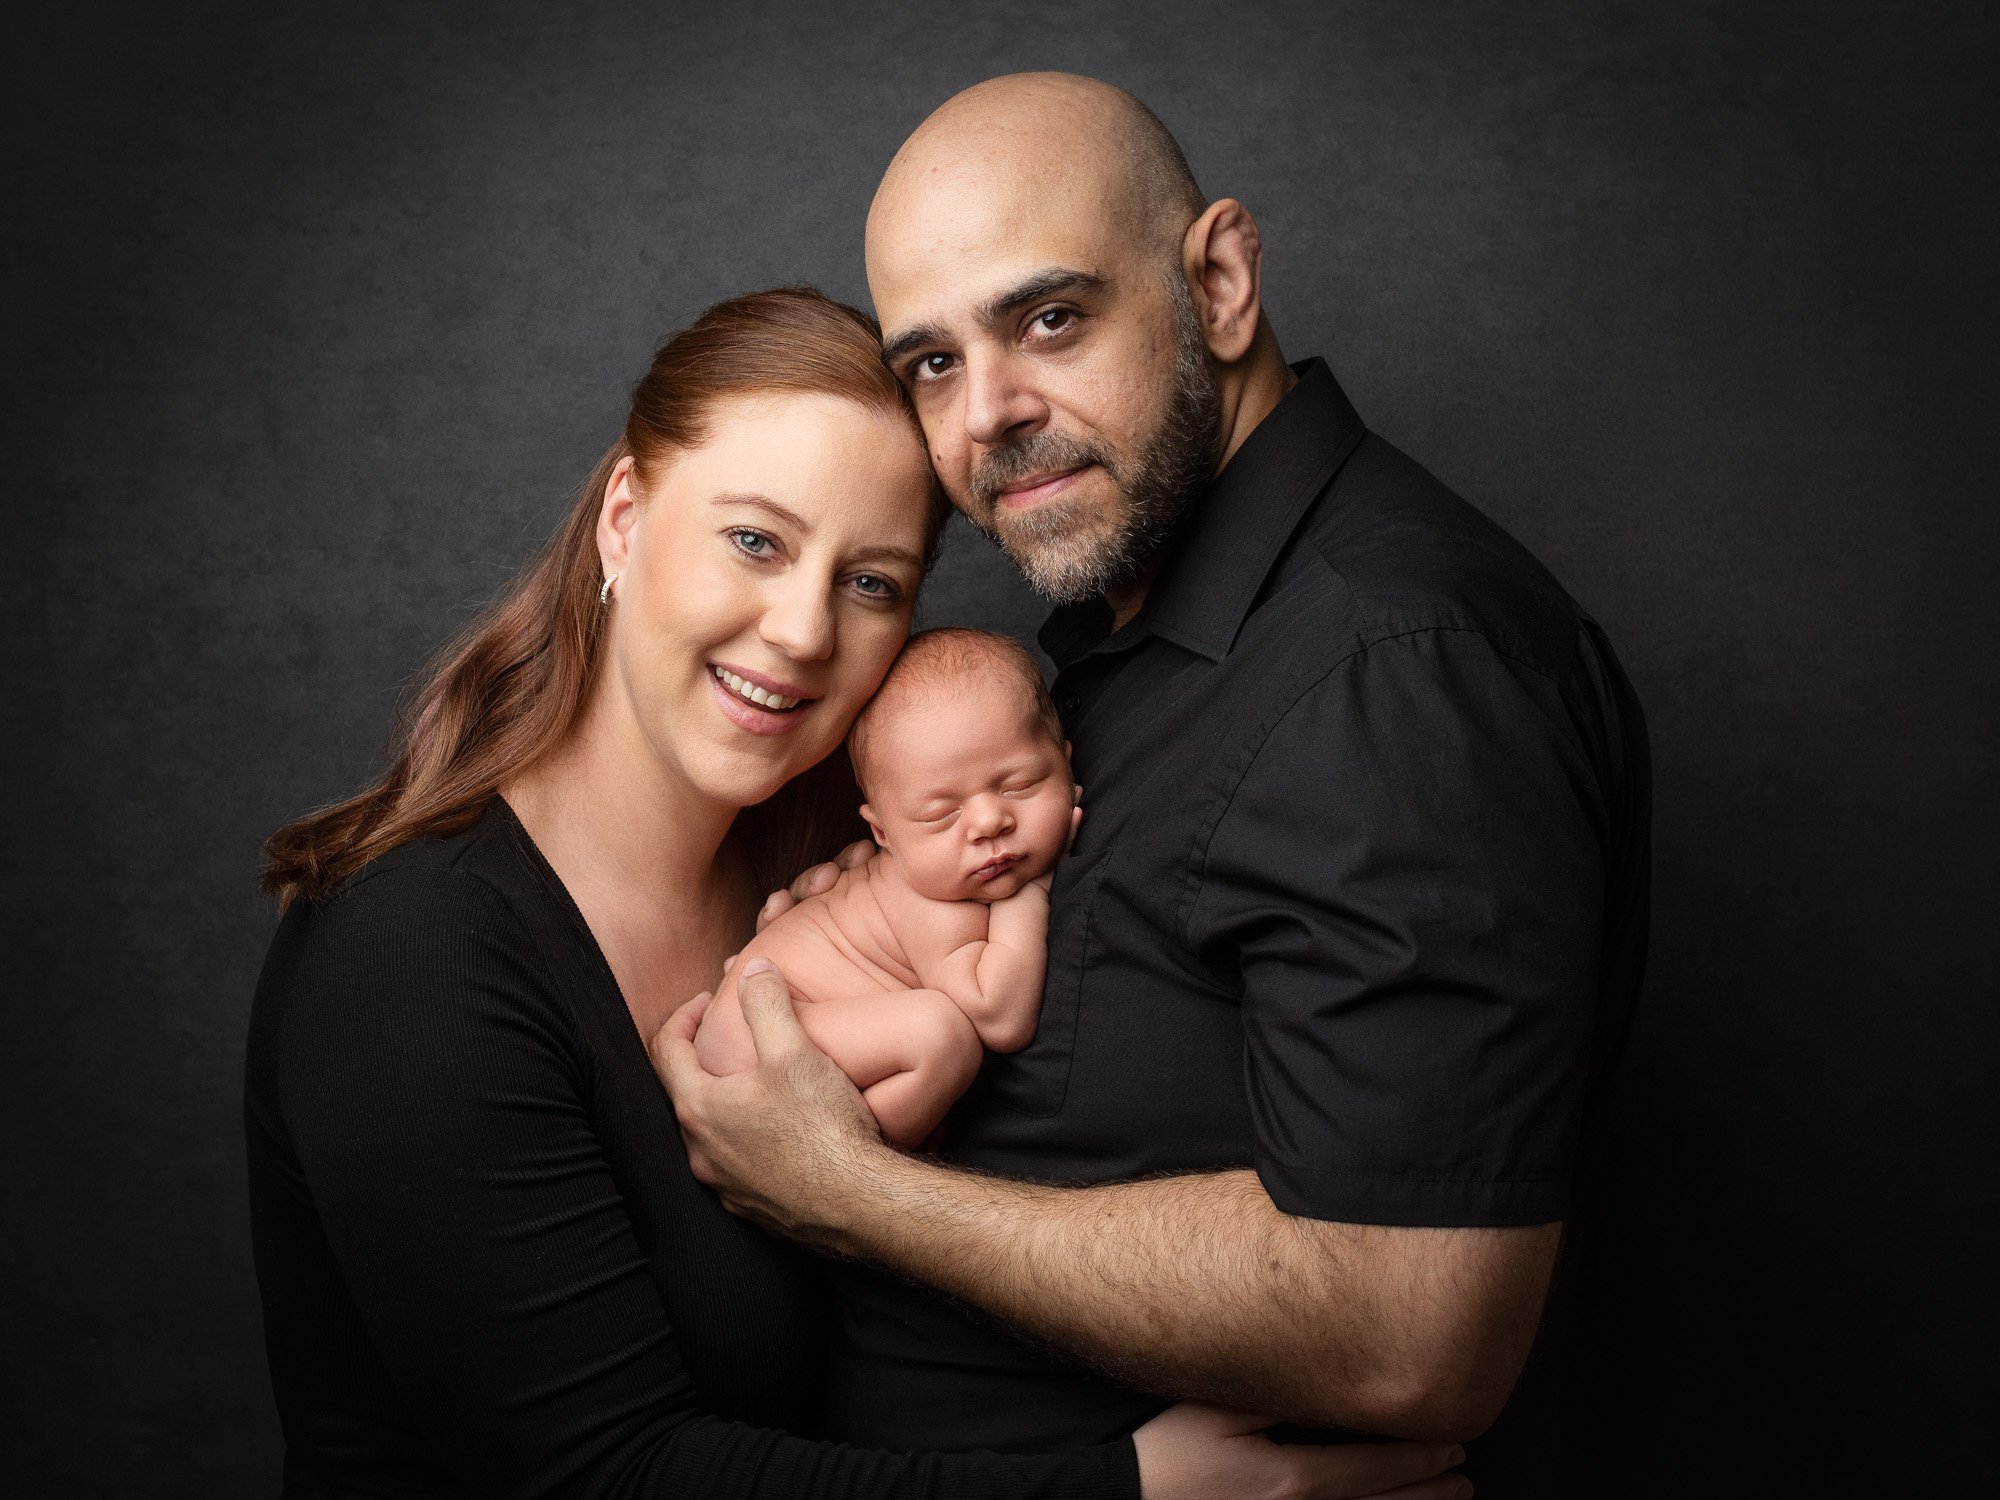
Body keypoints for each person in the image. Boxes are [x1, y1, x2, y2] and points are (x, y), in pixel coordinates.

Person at [245, 285, 1471, 1499]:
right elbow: (607, 1478)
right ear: (624, 518)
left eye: (870, 582)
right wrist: (1135, 1491)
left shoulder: (848, 882)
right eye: (755, 541)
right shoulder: (409, 954)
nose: (799, 632)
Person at [653, 74, 1652, 1493]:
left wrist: (847, 1191)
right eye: (930, 362)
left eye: (1049, 319)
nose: (988, 413)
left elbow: (1410, 1321)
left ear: (1223, 283)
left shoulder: (1390, 666)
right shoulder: (1133, 636)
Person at [693, 628, 1080, 1148]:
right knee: (941, 1037)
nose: (989, 821)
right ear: (883, 834)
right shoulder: (928, 902)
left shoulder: (942, 876)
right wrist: (1028, 891)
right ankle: (851, 1162)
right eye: (942, 815)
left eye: (1020, 785)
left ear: (1067, 762)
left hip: (787, 1027)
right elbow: (1000, 1015)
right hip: (761, 1033)